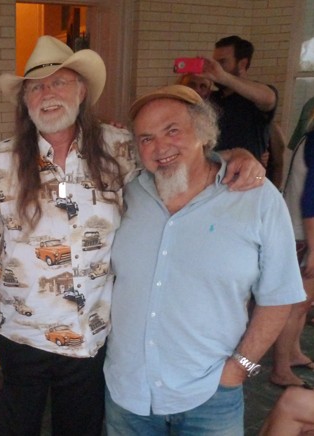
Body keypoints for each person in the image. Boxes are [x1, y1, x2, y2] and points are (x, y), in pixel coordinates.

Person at [0, 36, 265, 436]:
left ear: (81, 91)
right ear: (26, 103)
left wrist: (233, 154)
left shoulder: (119, 148)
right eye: (36, 87)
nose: (47, 94)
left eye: (59, 82)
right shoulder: (1, 160)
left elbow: (175, 157)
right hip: (21, 334)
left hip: (92, 337)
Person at [104, 85, 305, 435]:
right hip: (127, 393)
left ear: (203, 131)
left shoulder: (256, 198)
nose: (160, 147)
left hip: (210, 395)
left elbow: (280, 296)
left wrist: (240, 368)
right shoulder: (123, 193)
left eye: (173, 130)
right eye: (146, 138)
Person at [271, 108, 314, 389]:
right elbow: (311, 198)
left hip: (299, 232)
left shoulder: (308, 137)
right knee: (296, 306)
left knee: (303, 304)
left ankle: (294, 352)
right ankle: (281, 369)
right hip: (303, 235)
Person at [202, 35, 278, 162]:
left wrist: (223, 77)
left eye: (222, 62)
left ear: (242, 64)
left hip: (252, 177)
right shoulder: (213, 98)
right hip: (216, 175)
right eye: (215, 62)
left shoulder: (255, 96)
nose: (217, 68)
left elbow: (269, 98)